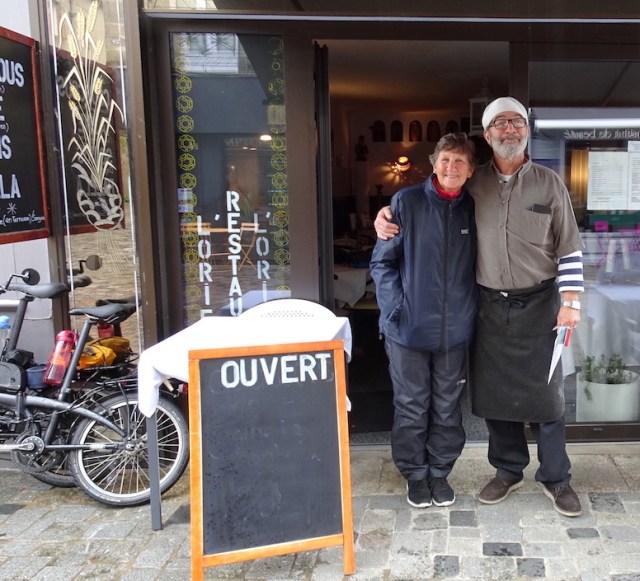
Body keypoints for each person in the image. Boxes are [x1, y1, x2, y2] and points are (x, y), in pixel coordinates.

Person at [373, 97, 585, 517]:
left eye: (516, 122)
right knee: (495, 394)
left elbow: (569, 246)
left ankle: (556, 478)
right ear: (487, 135)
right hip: (487, 306)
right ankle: (507, 471)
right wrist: (386, 215)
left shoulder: (548, 183)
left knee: (547, 395)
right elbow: (433, 199)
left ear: (527, 130)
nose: (510, 130)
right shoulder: (473, 184)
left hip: (540, 303)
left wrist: (571, 301)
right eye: (500, 124)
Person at [370, 133, 478, 509]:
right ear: (434, 163)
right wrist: (395, 310)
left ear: (471, 170)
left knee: (448, 406)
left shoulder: (474, 208)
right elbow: (382, 263)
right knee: (412, 404)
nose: (451, 167)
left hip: (456, 330)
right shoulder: (407, 202)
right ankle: (415, 475)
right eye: (445, 159)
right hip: (408, 329)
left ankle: (440, 472)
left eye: (460, 161)